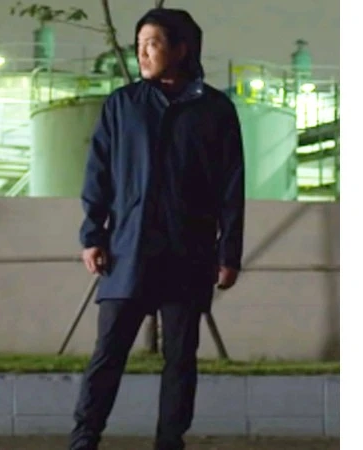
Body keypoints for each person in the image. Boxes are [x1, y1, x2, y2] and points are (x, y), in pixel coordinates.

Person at [70, 8, 245, 450]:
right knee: (108, 353)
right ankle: (84, 438)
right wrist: (93, 235)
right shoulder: (122, 105)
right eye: (139, 44)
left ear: (181, 49)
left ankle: (170, 441)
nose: (142, 53)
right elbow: (97, 175)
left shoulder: (215, 110)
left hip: (189, 251)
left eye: (153, 43)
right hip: (127, 249)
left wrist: (229, 254)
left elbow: (231, 188)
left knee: (181, 358)